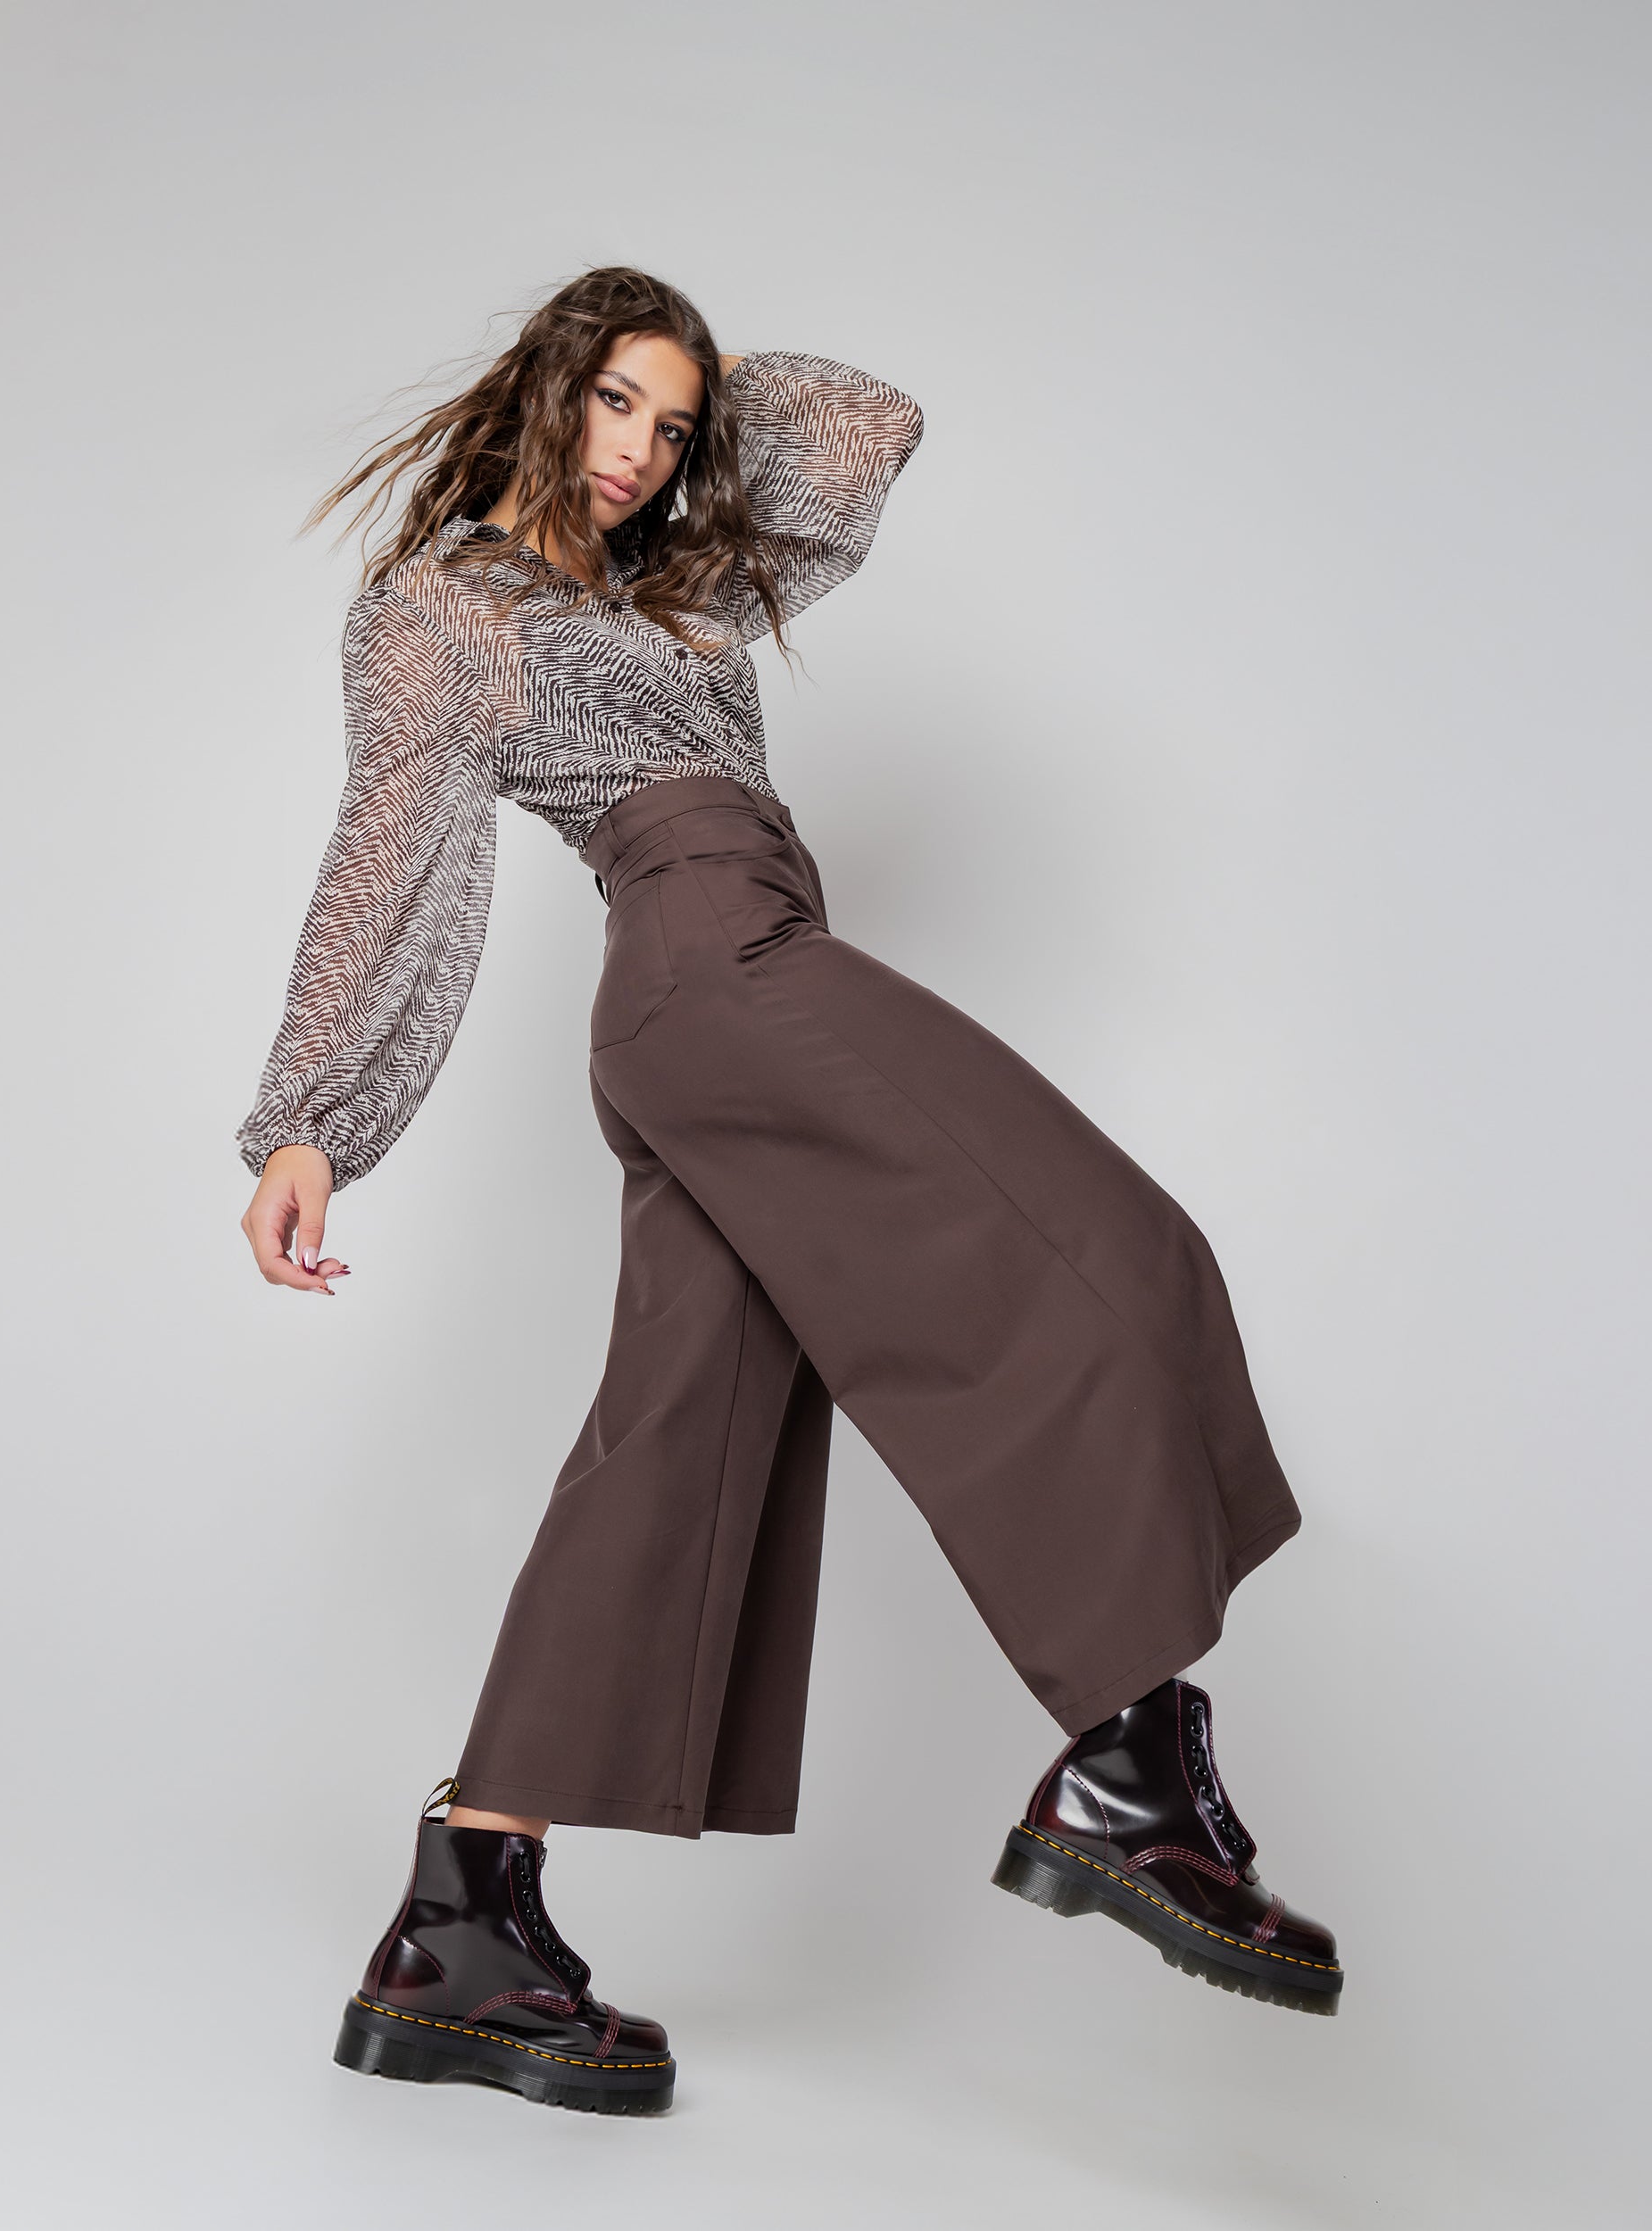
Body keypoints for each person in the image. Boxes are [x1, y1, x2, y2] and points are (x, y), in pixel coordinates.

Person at [235, 265, 1342, 2115]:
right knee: (1108, 1247)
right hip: (710, 972)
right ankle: (1128, 1760)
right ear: (547, 383)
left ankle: (459, 1924)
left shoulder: (670, 586)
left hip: (733, 974)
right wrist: (311, 1123)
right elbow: (386, 850)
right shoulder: (444, 608)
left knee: (676, 1441)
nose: (639, 449)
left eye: (670, 425)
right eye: (613, 401)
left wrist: (709, 376)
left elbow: (865, 434)